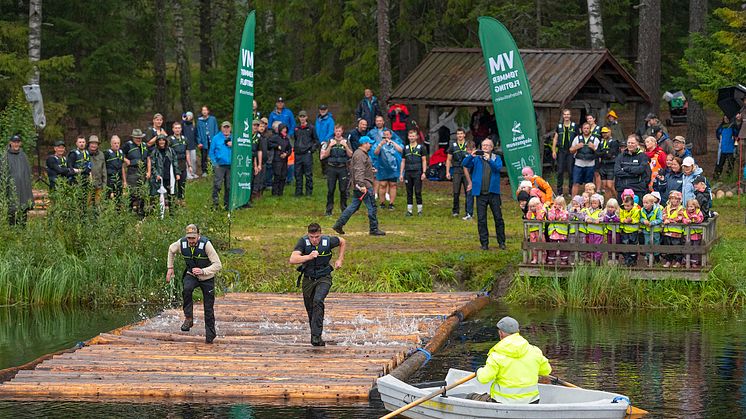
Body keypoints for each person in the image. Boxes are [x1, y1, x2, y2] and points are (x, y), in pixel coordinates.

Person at [469, 316, 551, 404]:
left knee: (470, 396)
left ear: (501, 333)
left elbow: (483, 378)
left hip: (502, 403)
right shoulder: (535, 351)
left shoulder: (497, 354)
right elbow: (546, 371)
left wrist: (479, 371)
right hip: (531, 402)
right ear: (518, 332)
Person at [288, 222, 346, 346]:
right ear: (308, 235)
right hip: (308, 278)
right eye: (312, 237)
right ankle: (316, 336)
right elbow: (292, 259)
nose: (314, 240)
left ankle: (316, 337)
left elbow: (342, 241)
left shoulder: (328, 241)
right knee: (310, 309)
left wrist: (340, 259)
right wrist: (308, 257)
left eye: (317, 237)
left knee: (318, 300)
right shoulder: (303, 242)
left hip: (324, 277)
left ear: (321, 234)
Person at [166, 224, 223, 344]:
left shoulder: (206, 245)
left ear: (198, 235)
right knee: (187, 289)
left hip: (207, 277)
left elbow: (218, 265)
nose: (191, 241)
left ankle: (210, 336)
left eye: (193, 238)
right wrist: (170, 268)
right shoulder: (181, 243)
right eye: (189, 238)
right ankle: (188, 318)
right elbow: (171, 250)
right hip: (192, 274)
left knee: (208, 308)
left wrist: (203, 271)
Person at [332, 136, 386, 236]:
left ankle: (339, 224)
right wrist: (361, 185)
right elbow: (359, 170)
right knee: (372, 207)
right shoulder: (360, 155)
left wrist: (370, 170)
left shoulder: (360, 154)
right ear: (364, 143)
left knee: (353, 206)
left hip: (359, 184)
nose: (370, 145)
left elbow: (361, 169)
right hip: (364, 185)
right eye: (369, 143)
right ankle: (373, 228)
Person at [463, 138, 506, 251]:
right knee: (481, 219)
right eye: (483, 145)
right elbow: (465, 164)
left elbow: (498, 169)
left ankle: (501, 242)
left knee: (498, 218)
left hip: (493, 193)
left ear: (492, 147)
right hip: (480, 193)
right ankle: (484, 243)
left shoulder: (496, 158)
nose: (485, 147)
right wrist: (471, 156)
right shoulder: (477, 158)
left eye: (488, 145)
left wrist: (489, 160)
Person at [0, 134, 33, 224]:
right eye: (14, 142)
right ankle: (11, 231)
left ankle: (22, 231)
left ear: (20, 143)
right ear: (10, 143)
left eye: (18, 142)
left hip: (23, 187)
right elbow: (2, 172)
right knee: (11, 208)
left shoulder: (23, 156)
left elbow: (27, 172)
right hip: (10, 187)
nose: (16, 144)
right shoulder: (5, 156)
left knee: (23, 207)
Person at [320, 125, 352, 216]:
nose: (338, 132)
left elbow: (350, 154)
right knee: (330, 190)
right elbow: (324, 155)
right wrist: (330, 145)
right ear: (334, 131)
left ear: (342, 131)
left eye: (339, 131)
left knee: (343, 190)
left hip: (342, 168)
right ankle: (329, 210)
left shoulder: (346, 141)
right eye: (336, 131)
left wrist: (345, 145)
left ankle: (344, 209)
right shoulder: (330, 141)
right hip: (331, 167)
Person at [614, 135, 650, 203]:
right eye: (629, 143)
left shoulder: (643, 156)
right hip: (622, 189)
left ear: (637, 144)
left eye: (632, 143)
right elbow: (617, 171)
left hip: (637, 189)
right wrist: (634, 174)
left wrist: (625, 169)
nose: (630, 145)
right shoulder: (620, 156)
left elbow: (641, 170)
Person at [399, 129, 427, 216]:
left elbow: (424, 160)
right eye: (410, 136)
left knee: (418, 191)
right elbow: (403, 161)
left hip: (417, 172)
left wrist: (424, 172)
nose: (411, 138)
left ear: (417, 137)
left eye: (413, 136)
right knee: (409, 192)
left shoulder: (421, 147)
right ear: (408, 137)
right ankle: (409, 211)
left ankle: (419, 211)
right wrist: (401, 173)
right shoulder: (405, 148)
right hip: (408, 172)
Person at [123, 129, 150, 216]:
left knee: (142, 192)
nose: (139, 139)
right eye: (137, 138)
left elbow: (148, 159)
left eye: (140, 138)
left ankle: (141, 211)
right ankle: (129, 210)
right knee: (133, 192)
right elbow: (119, 154)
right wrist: (126, 160)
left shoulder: (144, 145)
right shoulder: (128, 145)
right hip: (132, 171)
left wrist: (149, 171)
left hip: (142, 171)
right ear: (133, 138)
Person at [374, 129, 403, 210]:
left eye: (387, 134)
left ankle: (391, 203)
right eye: (384, 134)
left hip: (394, 168)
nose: (386, 136)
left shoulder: (395, 142)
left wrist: (392, 142)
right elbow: (375, 153)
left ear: (390, 135)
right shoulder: (379, 143)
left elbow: (401, 150)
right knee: (382, 185)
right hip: (382, 168)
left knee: (393, 185)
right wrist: (380, 145)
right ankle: (382, 202)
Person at [149, 135, 179, 214]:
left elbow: (175, 162)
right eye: (160, 140)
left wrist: (177, 173)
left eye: (163, 140)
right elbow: (152, 165)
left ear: (166, 141)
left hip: (169, 177)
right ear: (157, 142)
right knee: (157, 196)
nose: (162, 142)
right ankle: (158, 214)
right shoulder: (154, 152)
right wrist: (156, 175)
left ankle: (172, 213)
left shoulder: (171, 150)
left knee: (171, 195)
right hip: (159, 178)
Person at [551, 109, 578, 196]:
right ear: (563, 116)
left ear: (570, 116)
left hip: (571, 151)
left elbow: (578, 139)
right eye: (565, 114)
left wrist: (576, 149)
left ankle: (570, 190)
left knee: (571, 171)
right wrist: (554, 150)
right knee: (560, 171)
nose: (566, 116)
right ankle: (559, 191)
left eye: (568, 114)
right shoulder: (559, 126)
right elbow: (555, 138)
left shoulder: (574, 126)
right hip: (561, 151)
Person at [569, 123, 599, 196]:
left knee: (589, 185)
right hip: (578, 164)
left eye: (587, 128)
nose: (586, 130)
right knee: (575, 183)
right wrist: (576, 147)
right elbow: (571, 150)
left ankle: (589, 201)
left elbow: (599, 153)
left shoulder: (595, 139)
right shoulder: (577, 138)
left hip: (590, 165)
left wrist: (593, 148)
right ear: (582, 129)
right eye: (584, 128)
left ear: (590, 129)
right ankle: (573, 201)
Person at [293, 110, 318, 196]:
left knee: (308, 174)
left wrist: (312, 149)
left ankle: (309, 192)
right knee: (298, 173)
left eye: (304, 116)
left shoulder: (311, 128)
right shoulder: (296, 128)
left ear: (306, 117)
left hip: (307, 154)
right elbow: (295, 139)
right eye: (301, 117)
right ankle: (298, 192)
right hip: (298, 154)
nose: (302, 118)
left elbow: (316, 141)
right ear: (299, 118)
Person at [446, 128, 469, 217]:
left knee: (468, 192)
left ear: (464, 135)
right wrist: (447, 171)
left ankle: (468, 211)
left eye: (461, 134)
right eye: (458, 134)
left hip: (467, 170)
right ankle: (455, 211)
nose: (459, 135)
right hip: (456, 170)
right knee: (456, 192)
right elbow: (448, 159)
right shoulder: (453, 145)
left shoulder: (468, 145)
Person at [662, 190, 687, 268]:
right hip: (667, 231)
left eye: (675, 199)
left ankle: (678, 261)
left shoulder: (681, 208)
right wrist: (665, 219)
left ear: (679, 200)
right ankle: (668, 260)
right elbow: (663, 214)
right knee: (668, 247)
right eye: (671, 198)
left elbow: (680, 218)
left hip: (676, 232)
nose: (673, 200)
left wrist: (669, 220)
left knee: (677, 247)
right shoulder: (667, 207)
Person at [268, 123, 293, 196]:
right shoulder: (275, 137)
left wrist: (286, 154)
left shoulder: (287, 139)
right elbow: (269, 143)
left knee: (283, 176)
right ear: (279, 130)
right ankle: (275, 192)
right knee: (277, 175)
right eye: (283, 129)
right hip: (277, 160)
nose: (284, 130)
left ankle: (280, 192)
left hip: (284, 160)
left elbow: (290, 149)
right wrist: (276, 146)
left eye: (285, 129)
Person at [618, 190, 641, 267]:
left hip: (633, 231)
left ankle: (633, 260)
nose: (626, 207)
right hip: (625, 231)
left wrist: (632, 220)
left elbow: (638, 219)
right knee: (625, 245)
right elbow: (620, 217)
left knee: (633, 245)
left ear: (632, 205)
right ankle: (627, 260)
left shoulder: (636, 210)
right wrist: (623, 220)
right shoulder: (622, 209)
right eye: (625, 205)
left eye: (628, 206)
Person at [169, 121, 190, 202]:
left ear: (181, 129)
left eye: (179, 128)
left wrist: (189, 165)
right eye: (176, 128)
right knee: (173, 184)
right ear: (173, 129)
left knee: (182, 184)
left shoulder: (185, 139)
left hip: (183, 164)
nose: (177, 130)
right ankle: (173, 200)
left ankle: (181, 200)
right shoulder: (170, 139)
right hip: (174, 165)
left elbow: (187, 152)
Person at [640, 193, 663, 264]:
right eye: (644, 203)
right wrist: (643, 221)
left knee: (656, 243)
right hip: (646, 230)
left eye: (647, 203)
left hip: (655, 230)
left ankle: (656, 257)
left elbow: (660, 219)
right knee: (647, 243)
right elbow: (640, 218)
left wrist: (652, 223)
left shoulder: (657, 210)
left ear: (652, 203)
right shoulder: (642, 210)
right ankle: (648, 258)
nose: (645, 204)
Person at [196, 105, 219, 177]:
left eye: (205, 110)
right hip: (203, 142)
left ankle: (213, 170)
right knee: (204, 156)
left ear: (208, 111)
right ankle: (204, 171)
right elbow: (198, 132)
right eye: (203, 110)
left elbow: (216, 129)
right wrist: (199, 142)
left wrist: (216, 140)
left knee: (213, 155)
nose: (204, 111)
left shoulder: (213, 119)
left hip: (212, 140)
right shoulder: (199, 121)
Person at [546, 196, 569, 265]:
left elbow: (564, 218)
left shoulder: (565, 212)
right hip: (553, 231)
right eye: (556, 204)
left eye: (560, 204)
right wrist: (553, 210)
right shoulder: (551, 211)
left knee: (562, 246)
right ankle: (551, 259)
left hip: (562, 232)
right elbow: (551, 218)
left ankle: (564, 259)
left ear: (563, 205)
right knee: (552, 246)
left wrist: (561, 211)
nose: (557, 206)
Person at [714, 115, 737, 180]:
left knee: (730, 164)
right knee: (719, 163)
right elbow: (717, 134)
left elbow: (737, 135)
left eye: (727, 118)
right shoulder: (721, 127)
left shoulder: (733, 127)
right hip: (722, 149)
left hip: (731, 149)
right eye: (725, 118)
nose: (726, 119)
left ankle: (729, 178)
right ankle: (716, 176)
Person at [315, 104, 335, 176]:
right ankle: (324, 172)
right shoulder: (318, 119)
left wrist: (326, 140)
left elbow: (331, 131)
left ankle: (328, 173)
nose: (322, 111)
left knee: (326, 157)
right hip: (319, 141)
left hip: (326, 142)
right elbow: (316, 130)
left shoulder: (330, 120)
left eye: (324, 110)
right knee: (320, 158)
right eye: (321, 109)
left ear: (327, 110)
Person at [684, 198, 705, 267]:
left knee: (695, 247)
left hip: (696, 234)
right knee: (687, 246)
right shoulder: (685, 212)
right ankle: (686, 260)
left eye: (691, 206)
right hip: (687, 234)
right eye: (688, 206)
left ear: (695, 206)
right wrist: (686, 221)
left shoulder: (699, 212)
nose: (689, 208)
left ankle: (694, 262)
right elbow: (683, 219)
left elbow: (700, 220)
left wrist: (696, 218)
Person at [104, 135, 126, 201]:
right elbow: (103, 167)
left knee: (119, 199)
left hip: (118, 180)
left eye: (118, 143)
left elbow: (122, 167)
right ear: (111, 144)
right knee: (109, 198)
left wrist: (124, 181)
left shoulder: (121, 153)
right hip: (110, 180)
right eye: (115, 143)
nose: (117, 145)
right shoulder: (107, 153)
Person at [88, 135, 107, 204]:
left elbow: (104, 170)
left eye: (95, 143)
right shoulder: (85, 153)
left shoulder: (101, 154)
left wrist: (104, 184)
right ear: (89, 144)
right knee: (88, 203)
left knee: (98, 204)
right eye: (92, 143)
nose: (94, 145)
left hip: (99, 184)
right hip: (88, 185)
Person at [182, 111, 198, 180]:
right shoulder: (184, 124)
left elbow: (196, 135)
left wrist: (197, 143)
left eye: (190, 115)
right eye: (187, 115)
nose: (189, 116)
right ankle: (188, 174)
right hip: (185, 146)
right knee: (187, 161)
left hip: (193, 145)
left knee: (193, 160)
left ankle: (193, 173)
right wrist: (183, 120)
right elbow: (180, 129)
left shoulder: (193, 125)